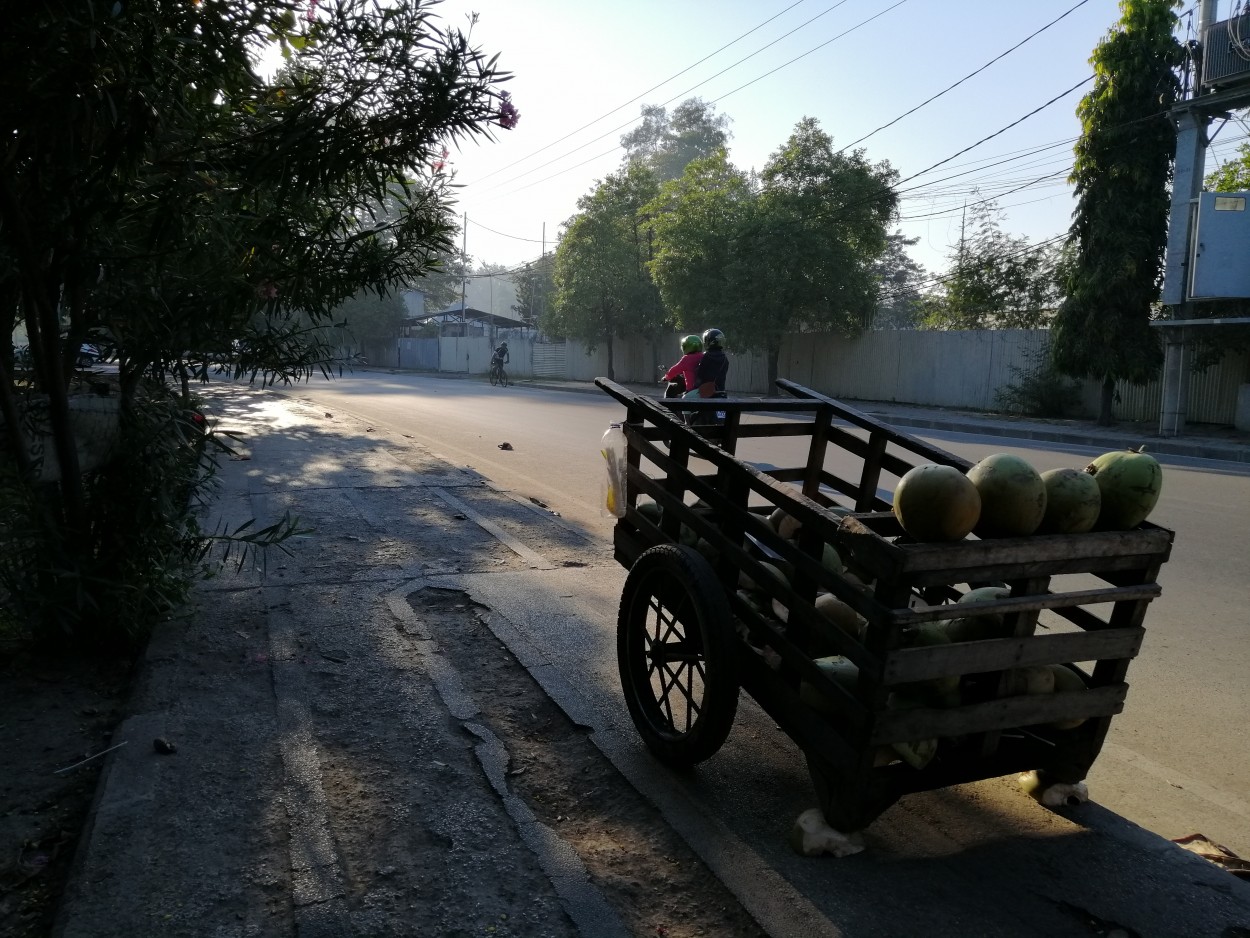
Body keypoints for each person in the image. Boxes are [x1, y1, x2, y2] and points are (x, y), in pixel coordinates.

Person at [684, 328, 729, 425]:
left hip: (707, 391)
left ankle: (687, 427)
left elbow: (700, 376)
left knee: (685, 399)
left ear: (709, 342)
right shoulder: (725, 359)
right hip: (720, 392)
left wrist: (692, 389)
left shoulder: (707, 356)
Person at [660, 334, 703, 399]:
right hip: (703, 389)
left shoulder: (687, 359)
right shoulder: (703, 356)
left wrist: (666, 377)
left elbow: (675, 369)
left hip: (691, 390)